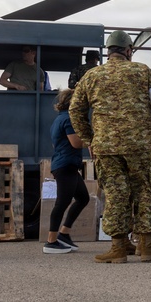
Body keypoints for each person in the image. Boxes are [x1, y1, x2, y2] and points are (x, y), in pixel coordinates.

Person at [69, 30, 151, 263]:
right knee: (146, 189)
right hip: (141, 144)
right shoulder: (144, 71)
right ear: (128, 51)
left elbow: (75, 110)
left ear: (109, 51)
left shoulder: (91, 76)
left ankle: (118, 247)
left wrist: (89, 139)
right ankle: (147, 246)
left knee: (116, 192)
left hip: (106, 146)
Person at [43, 89, 90, 254]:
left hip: (66, 164)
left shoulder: (58, 119)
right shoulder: (69, 119)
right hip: (66, 165)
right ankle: (51, 241)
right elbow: (76, 143)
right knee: (62, 203)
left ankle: (64, 234)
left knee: (83, 198)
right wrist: (93, 140)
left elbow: (56, 144)